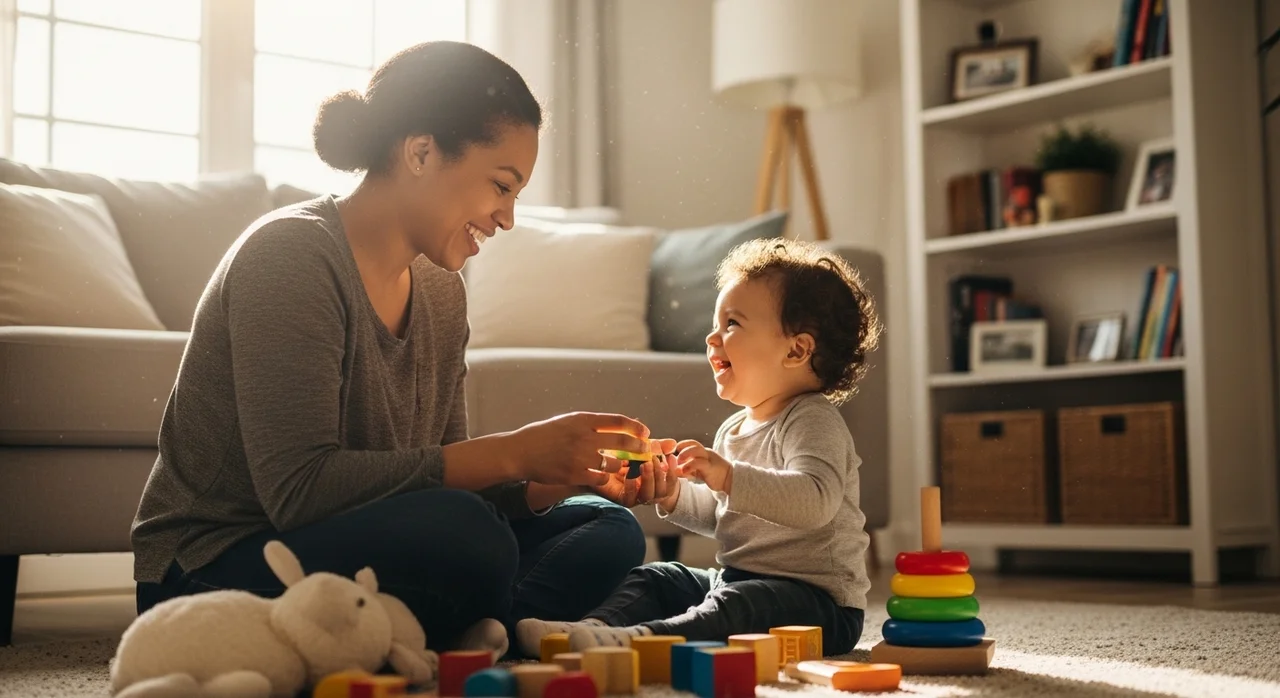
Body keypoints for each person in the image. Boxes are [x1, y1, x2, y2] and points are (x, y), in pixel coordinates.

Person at [128, 41, 675, 658]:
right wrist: (513, 451)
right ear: (421, 152)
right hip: (218, 566)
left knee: (608, 527)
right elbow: (299, 491)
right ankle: (473, 623)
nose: (508, 218)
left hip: (360, 549)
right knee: (468, 539)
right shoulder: (291, 256)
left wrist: (550, 475)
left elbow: (448, 476)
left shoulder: (443, 292)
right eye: (501, 185)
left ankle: (468, 630)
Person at [514, 237, 882, 658]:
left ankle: (644, 639)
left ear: (796, 349)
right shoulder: (734, 429)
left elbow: (815, 502)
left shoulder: (813, 420)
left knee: (736, 606)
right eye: (716, 322)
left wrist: (728, 476)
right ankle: (590, 629)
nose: (712, 337)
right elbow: (721, 516)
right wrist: (673, 493)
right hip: (737, 579)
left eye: (732, 324)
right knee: (658, 577)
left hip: (820, 604)